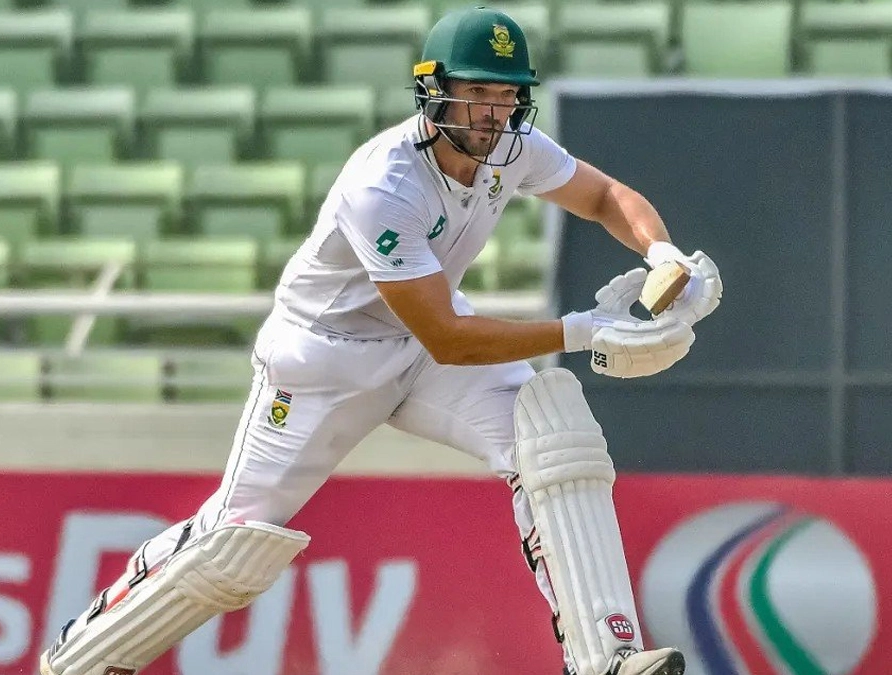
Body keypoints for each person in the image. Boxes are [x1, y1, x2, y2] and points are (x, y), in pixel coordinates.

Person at [39, 6, 722, 675]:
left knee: (555, 435)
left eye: (508, 94)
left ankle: (606, 657)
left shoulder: (511, 147)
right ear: (435, 90)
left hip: (419, 350)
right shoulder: (384, 184)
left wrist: (664, 254)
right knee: (231, 547)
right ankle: (83, 658)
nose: (494, 112)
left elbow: (604, 197)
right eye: (478, 92)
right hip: (324, 362)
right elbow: (448, 337)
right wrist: (582, 330)